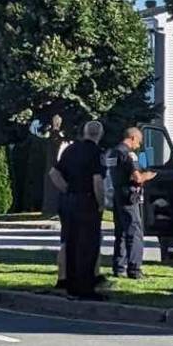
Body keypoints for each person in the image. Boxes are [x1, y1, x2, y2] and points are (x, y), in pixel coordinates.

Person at [49, 121, 107, 299]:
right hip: (86, 200)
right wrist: (100, 203)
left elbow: (53, 173)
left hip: (68, 201)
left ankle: (69, 283)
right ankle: (86, 285)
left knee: (70, 242)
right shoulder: (96, 153)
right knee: (88, 244)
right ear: (100, 134)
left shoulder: (70, 150)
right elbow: (97, 181)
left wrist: (66, 189)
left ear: (84, 132)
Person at [104, 127, 157, 279]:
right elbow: (137, 177)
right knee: (135, 233)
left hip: (117, 195)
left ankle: (119, 267)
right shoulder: (129, 154)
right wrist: (147, 175)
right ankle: (134, 269)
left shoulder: (113, 153)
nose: (138, 145)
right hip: (129, 196)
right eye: (138, 141)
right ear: (132, 138)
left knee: (120, 232)